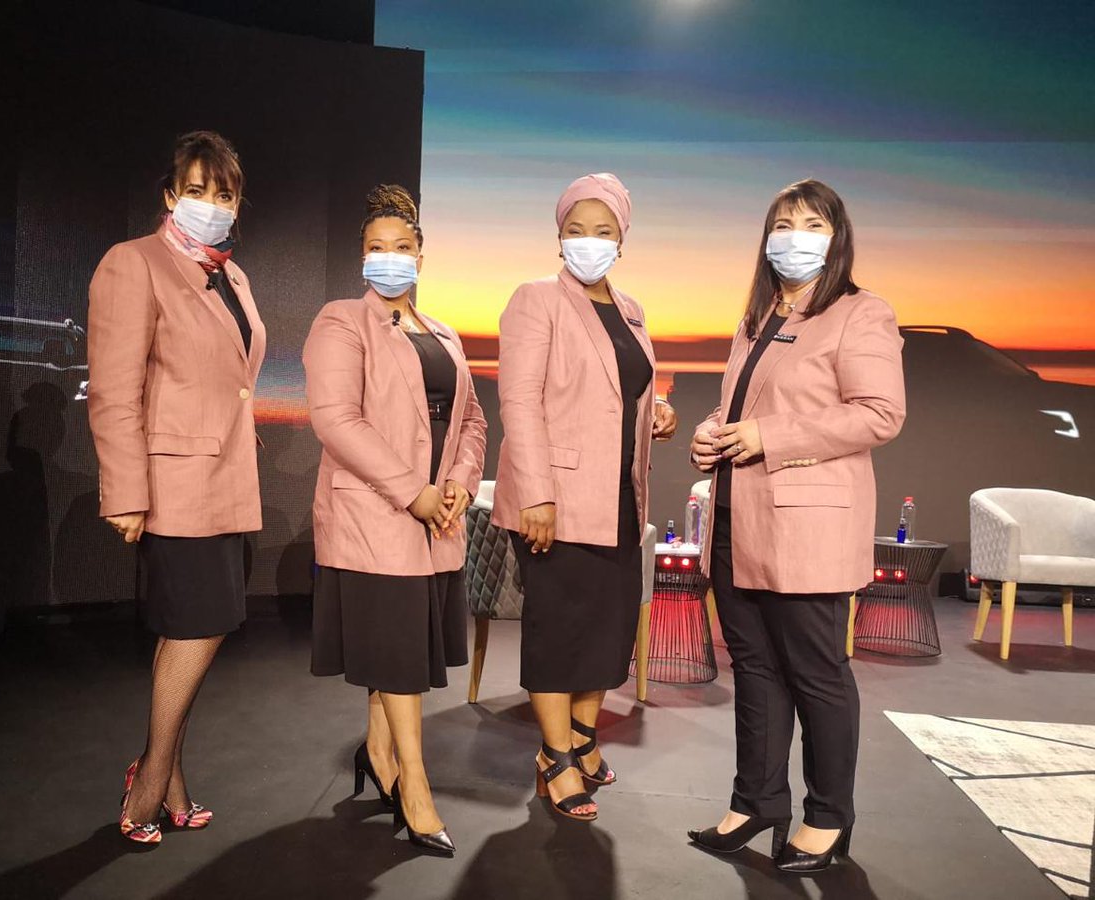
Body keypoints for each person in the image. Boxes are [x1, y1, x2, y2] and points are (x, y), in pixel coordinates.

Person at [687, 179, 905, 872]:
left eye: (812, 224)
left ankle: (829, 818)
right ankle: (757, 801)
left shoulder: (860, 312)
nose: (794, 237)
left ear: (837, 238)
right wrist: (711, 433)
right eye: (783, 224)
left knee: (816, 673)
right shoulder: (759, 316)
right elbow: (742, 410)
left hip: (807, 528)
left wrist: (769, 437)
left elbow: (879, 414)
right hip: (737, 518)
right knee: (753, 667)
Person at [88, 131, 266, 845]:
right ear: (170, 195)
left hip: (228, 482)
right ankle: (150, 782)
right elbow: (114, 390)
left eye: (224, 194)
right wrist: (126, 493)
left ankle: (171, 781)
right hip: (175, 486)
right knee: (196, 629)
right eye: (197, 190)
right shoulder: (133, 263)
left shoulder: (234, 277)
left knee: (193, 631)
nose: (211, 204)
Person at [304, 184, 487, 857]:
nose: (389, 257)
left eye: (401, 246)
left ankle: (378, 754)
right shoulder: (340, 322)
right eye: (376, 247)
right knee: (402, 660)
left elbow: (472, 419)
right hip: (377, 515)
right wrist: (414, 493)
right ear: (362, 256)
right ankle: (415, 787)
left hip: (437, 520)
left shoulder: (444, 334)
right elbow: (336, 420)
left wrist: (459, 482)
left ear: (420, 256)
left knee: (398, 650)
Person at [492, 173, 677, 822]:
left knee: (607, 628)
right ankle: (554, 757)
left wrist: (656, 414)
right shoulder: (535, 299)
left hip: (619, 497)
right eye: (576, 230)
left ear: (621, 239)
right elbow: (519, 400)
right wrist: (537, 493)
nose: (588, 241)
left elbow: (624, 390)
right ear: (559, 235)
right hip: (556, 500)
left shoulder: (631, 309)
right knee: (559, 631)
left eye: (602, 231)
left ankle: (583, 738)